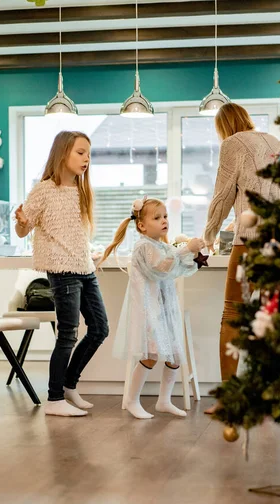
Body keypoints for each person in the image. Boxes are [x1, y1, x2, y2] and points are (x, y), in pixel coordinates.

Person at [14, 131, 109, 417]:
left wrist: (89, 252)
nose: (86, 159)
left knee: (100, 329)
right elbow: (24, 229)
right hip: (62, 270)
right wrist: (20, 222)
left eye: (88, 154)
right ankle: (54, 399)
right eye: (80, 152)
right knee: (67, 333)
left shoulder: (80, 190)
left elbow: (73, 233)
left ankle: (68, 385)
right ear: (62, 153)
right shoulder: (44, 189)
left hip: (84, 268)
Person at [203, 103, 280, 414]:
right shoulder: (274, 142)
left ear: (224, 125)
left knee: (233, 316)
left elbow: (223, 195)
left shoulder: (232, 143)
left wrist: (208, 235)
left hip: (250, 242)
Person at [100, 197, 204, 419]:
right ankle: (131, 400)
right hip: (150, 310)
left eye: (165, 216)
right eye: (157, 217)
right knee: (151, 355)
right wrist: (185, 249)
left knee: (175, 356)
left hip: (166, 311)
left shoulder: (163, 245)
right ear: (142, 225)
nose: (164, 220)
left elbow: (178, 267)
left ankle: (164, 401)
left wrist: (193, 255)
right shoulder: (144, 246)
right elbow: (161, 267)